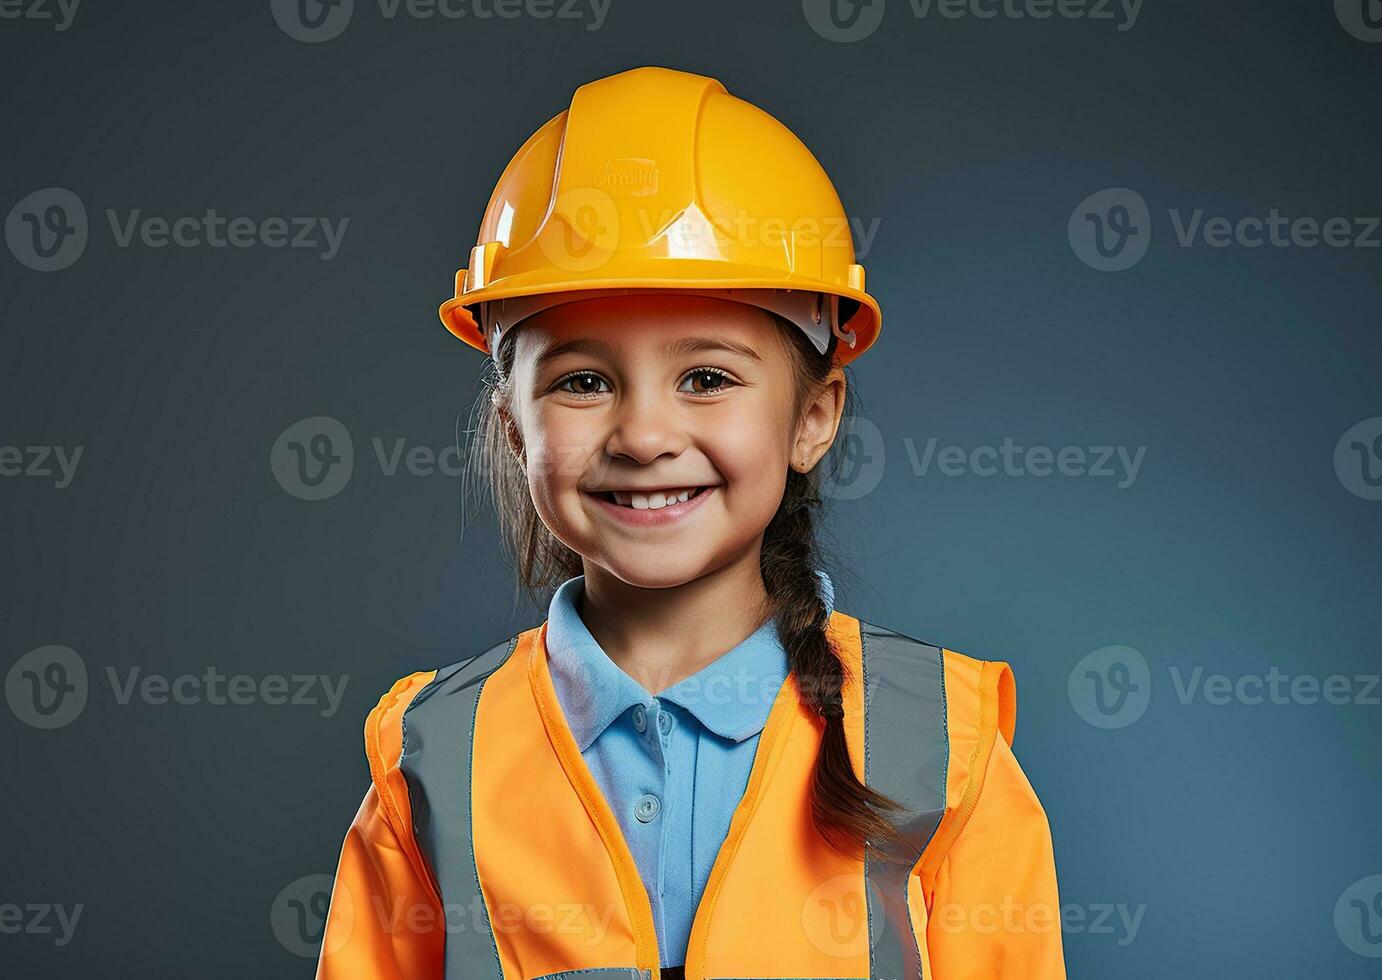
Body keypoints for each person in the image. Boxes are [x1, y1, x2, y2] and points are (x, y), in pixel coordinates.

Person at [315, 65, 1066, 980]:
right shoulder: (434, 758)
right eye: (582, 381)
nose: (643, 435)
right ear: (516, 430)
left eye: (706, 378)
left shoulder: (939, 742)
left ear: (812, 418)